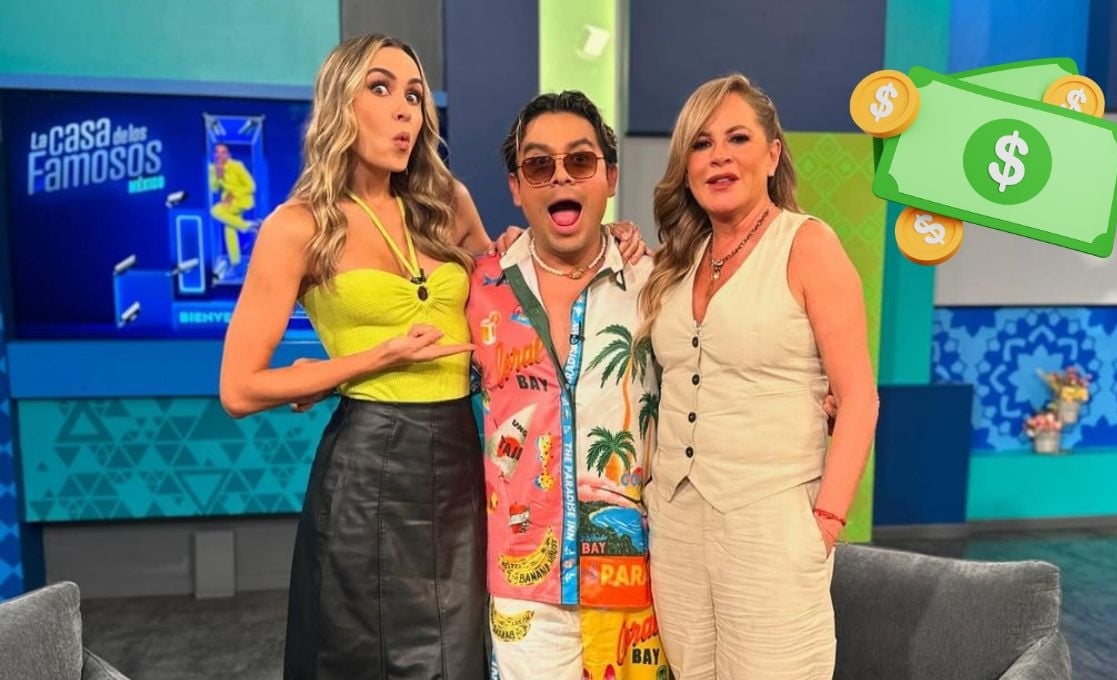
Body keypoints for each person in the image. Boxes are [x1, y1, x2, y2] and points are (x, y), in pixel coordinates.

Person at [219, 34, 496, 679]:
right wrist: (367, 361)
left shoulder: (447, 204)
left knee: (456, 658)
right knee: (356, 660)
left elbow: (506, 304)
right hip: (367, 471)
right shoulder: (297, 227)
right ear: (341, 102)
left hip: (458, 463)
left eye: (415, 96)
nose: (404, 109)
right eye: (380, 88)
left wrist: (605, 244)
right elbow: (238, 389)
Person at [638, 74, 879, 679]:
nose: (718, 156)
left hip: (772, 522)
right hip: (676, 521)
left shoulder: (808, 244)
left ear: (772, 154)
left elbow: (859, 398)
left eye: (737, 138)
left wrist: (824, 524)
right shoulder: (676, 262)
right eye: (701, 143)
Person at [467, 91, 668, 680]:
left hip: (636, 578)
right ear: (516, 187)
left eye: (580, 161)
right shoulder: (478, 286)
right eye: (538, 165)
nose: (560, 176)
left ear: (610, 177)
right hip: (523, 583)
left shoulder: (657, 283)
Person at [209, 143, 257, 278]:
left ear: (228, 155)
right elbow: (214, 189)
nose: (220, 155)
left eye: (223, 152)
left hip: (242, 200)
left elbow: (251, 186)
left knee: (215, 211)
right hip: (228, 204)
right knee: (229, 229)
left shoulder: (237, 166)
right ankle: (235, 265)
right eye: (217, 152)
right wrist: (218, 175)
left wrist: (233, 194)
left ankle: (245, 226)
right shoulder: (212, 169)